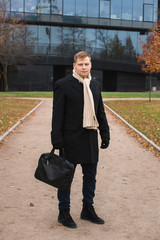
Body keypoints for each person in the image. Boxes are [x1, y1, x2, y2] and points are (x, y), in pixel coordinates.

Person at [51, 51, 110, 229]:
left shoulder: (95, 85)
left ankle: (87, 209)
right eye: (80, 64)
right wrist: (56, 139)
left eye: (87, 64)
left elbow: (100, 111)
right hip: (69, 140)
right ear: (74, 65)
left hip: (90, 137)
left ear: (91, 65)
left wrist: (105, 133)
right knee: (65, 178)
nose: (84, 67)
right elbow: (57, 115)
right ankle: (64, 212)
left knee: (90, 177)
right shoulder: (63, 85)